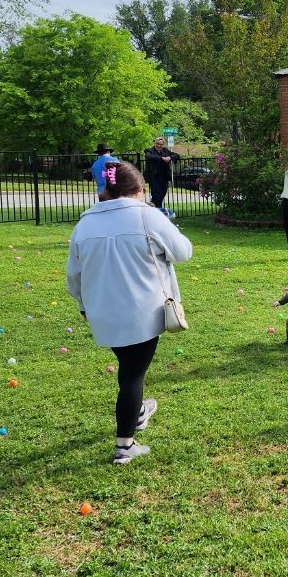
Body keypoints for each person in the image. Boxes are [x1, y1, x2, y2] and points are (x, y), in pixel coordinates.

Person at [66, 160, 192, 464]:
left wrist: (84, 306)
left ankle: (137, 411)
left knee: (130, 366)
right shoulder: (148, 217)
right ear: (139, 189)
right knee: (132, 376)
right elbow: (184, 252)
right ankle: (125, 445)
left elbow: (74, 277)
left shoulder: (85, 223)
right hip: (143, 312)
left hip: (102, 313)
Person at [144, 136, 181, 215]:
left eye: (161, 144)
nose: (159, 146)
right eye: (157, 144)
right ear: (155, 143)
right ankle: (158, 212)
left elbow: (177, 155)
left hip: (164, 177)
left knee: (162, 193)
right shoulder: (149, 150)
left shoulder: (165, 151)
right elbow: (149, 156)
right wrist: (162, 158)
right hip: (154, 177)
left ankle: (153, 209)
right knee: (156, 194)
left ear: (163, 145)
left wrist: (169, 157)